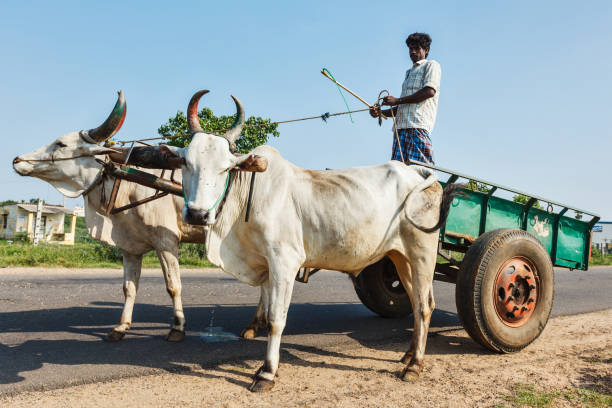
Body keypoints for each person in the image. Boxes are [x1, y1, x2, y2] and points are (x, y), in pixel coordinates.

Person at [370, 32, 441, 165]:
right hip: (400, 129)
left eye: (417, 48)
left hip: (417, 127)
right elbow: (402, 107)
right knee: (397, 172)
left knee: (421, 171)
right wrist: (380, 113)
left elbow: (429, 91)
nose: (412, 52)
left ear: (426, 50)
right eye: (410, 49)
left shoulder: (431, 65)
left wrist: (397, 100)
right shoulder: (408, 73)